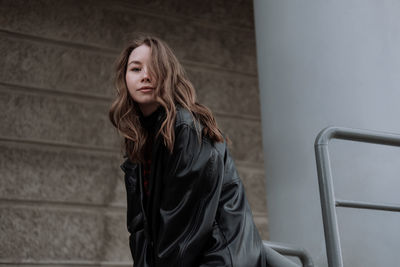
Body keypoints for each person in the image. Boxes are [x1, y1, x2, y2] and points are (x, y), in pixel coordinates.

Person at [109, 35, 269, 267]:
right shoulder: (140, 143)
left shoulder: (186, 128)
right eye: (136, 68)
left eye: (154, 68)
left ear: (168, 75)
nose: (145, 76)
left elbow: (184, 229)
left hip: (218, 259)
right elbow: (139, 230)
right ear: (125, 79)